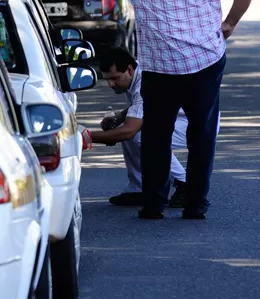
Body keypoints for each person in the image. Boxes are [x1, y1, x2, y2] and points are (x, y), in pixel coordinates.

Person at [24, 0, 257, 220]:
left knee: (156, 135)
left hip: (161, 66)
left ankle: (154, 203)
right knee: (201, 134)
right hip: (205, 60)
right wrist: (229, 24)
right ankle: (196, 204)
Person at [83, 47, 224, 208]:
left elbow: (130, 130)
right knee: (131, 130)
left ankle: (185, 183)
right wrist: (120, 117)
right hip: (182, 117)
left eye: (114, 78)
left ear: (129, 69)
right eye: (106, 79)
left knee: (139, 135)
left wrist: (85, 136)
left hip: (198, 123)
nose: (110, 84)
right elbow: (140, 108)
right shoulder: (136, 74)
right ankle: (139, 188)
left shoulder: (143, 82)